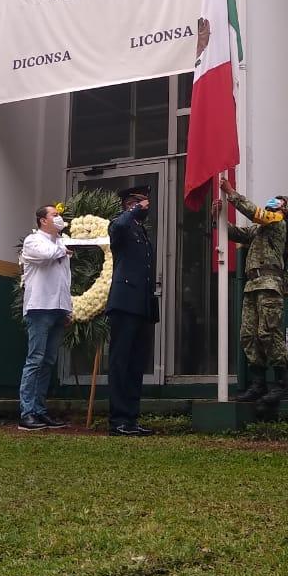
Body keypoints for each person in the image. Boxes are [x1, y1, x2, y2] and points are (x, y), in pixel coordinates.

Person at [216, 176, 288, 408]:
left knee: (268, 333)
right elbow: (237, 234)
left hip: (269, 284)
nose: (275, 202)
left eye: (280, 201)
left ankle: (280, 385)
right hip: (252, 285)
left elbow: (255, 212)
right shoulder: (261, 229)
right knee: (248, 335)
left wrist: (231, 192)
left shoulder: (278, 222)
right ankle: (258, 384)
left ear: (286, 211)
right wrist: (217, 218)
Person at [106, 184, 158, 436]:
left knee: (136, 364)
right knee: (121, 362)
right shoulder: (122, 225)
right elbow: (116, 228)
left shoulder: (140, 231)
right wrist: (134, 210)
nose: (146, 206)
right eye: (141, 202)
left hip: (142, 304)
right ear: (130, 204)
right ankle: (118, 420)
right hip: (124, 303)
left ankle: (131, 417)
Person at [17, 205, 74, 431]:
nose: (59, 218)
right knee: (35, 359)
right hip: (39, 307)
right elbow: (45, 256)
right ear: (42, 220)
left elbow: (65, 278)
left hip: (58, 308)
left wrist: (67, 308)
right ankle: (27, 412)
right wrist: (64, 249)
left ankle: (40, 411)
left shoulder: (61, 242)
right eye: (55, 215)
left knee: (48, 361)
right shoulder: (33, 241)